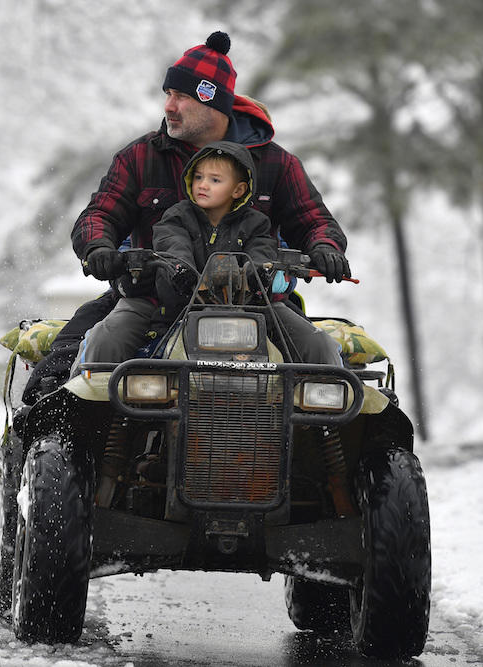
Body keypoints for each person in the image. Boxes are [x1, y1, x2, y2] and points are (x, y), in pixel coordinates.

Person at [23, 30, 350, 402]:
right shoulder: (140, 157)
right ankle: (83, 445)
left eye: (181, 96)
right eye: (168, 95)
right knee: (101, 342)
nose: (168, 106)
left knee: (320, 352)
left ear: (213, 103)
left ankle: (326, 449)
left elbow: (314, 220)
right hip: (152, 299)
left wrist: (325, 247)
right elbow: (100, 213)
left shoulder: (276, 163)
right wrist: (98, 245)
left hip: (258, 305)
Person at [77, 140, 342, 366]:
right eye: (199, 177)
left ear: (238, 190)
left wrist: (259, 273)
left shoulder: (256, 223)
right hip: (165, 303)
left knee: (319, 345)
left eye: (215, 180)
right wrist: (180, 271)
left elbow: (262, 252)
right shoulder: (175, 216)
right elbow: (172, 247)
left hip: (251, 308)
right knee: (106, 337)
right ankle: (85, 414)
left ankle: (326, 420)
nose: (203, 185)